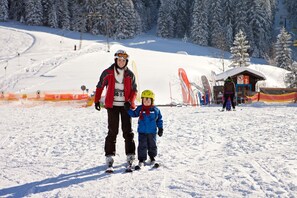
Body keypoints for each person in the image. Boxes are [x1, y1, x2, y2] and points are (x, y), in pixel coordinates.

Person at [94, 49, 137, 169]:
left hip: (125, 106)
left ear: (126, 61)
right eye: (119, 60)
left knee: (127, 131)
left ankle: (130, 154)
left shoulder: (130, 74)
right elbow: (100, 86)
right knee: (112, 131)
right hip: (112, 106)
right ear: (115, 60)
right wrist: (97, 100)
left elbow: (134, 91)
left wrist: (130, 102)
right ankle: (109, 155)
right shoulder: (107, 72)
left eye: (124, 60)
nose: (121, 62)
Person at [126, 90, 163, 169]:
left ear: (152, 101)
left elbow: (159, 119)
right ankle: (141, 160)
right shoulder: (140, 108)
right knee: (142, 146)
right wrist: (128, 109)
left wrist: (160, 128)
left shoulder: (155, 110)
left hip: (152, 132)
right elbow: (134, 114)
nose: (146, 101)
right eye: (144, 100)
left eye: (148, 100)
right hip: (142, 132)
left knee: (152, 145)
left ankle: (152, 158)